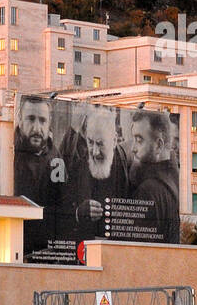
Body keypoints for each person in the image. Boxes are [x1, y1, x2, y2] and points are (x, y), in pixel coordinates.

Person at [65, 107, 129, 242]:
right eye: (90, 142)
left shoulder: (128, 167)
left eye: (100, 144)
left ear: (114, 140)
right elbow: (60, 211)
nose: (94, 152)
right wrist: (78, 213)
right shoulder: (77, 167)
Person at [13, 95, 60, 260]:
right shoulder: (10, 151)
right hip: (18, 245)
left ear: (49, 124)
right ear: (20, 119)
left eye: (42, 121)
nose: (37, 128)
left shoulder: (56, 155)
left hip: (49, 248)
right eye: (31, 119)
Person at [127, 110, 181, 244]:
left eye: (139, 140)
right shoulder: (173, 180)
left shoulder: (148, 190)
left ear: (158, 145)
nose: (133, 148)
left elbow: (136, 248)